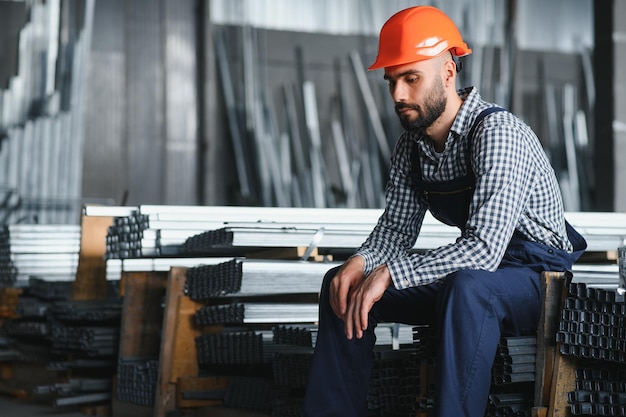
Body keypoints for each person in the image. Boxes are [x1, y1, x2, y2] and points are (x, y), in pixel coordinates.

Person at [303, 5, 587, 417]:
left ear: (448, 73)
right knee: (343, 285)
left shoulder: (496, 134)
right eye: (392, 81)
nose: (399, 95)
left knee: (467, 287)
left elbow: (484, 250)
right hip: (476, 277)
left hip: (536, 280)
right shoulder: (412, 147)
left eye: (411, 78)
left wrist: (392, 272)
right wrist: (363, 261)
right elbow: (397, 230)